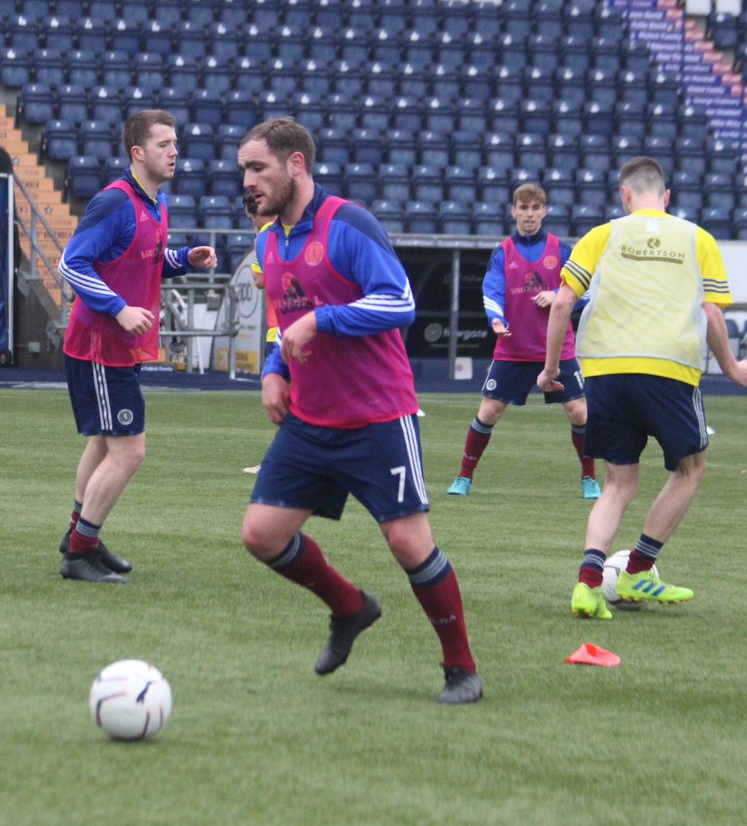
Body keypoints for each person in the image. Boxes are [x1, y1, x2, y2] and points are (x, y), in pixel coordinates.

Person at [237, 117, 481, 704]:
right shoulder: (269, 241)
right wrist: (274, 371)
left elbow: (400, 301)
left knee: (408, 545)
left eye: (258, 168)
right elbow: (281, 322)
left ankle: (461, 667)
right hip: (311, 420)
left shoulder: (348, 223)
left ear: (296, 164)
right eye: (243, 169)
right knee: (261, 535)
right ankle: (349, 607)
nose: (247, 181)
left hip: (377, 417)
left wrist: (323, 319)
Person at [537, 156, 747, 620]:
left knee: (619, 482)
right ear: (665, 197)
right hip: (669, 369)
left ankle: (586, 584)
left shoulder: (601, 236)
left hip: (605, 370)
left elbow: (562, 303)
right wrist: (731, 366)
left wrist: (549, 371)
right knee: (691, 468)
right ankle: (639, 567)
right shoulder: (696, 237)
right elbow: (714, 313)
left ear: (624, 196)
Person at [57, 109, 217, 584]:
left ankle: (78, 537)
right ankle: (80, 551)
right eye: (164, 144)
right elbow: (72, 264)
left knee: (105, 445)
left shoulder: (156, 203)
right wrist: (118, 307)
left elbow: (144, 259)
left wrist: (184, 258)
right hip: (100, 345)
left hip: (120, 346)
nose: (175, 152)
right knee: (129, 453)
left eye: (175, 143)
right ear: (137, 153)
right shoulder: (114, 202)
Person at [447, 183, 600, 499]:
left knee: (579, 412)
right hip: (513, 348)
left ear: (544, 211)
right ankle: (464, 476)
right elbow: (491, 292)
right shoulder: (503, 252)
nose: (529, 215)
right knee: (488, 413)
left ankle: (589, 477)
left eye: (535, 208)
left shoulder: (562, 250)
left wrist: (558, 295)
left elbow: (585, 293)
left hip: (556, 349)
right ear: (513, 211)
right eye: (524, 208)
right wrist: (496, 320)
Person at [243, 189, 275, 476]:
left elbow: (258, 279)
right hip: (304, 328)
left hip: (280, 332)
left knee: (283, 402)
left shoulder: (266, 237)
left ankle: (279, 462)